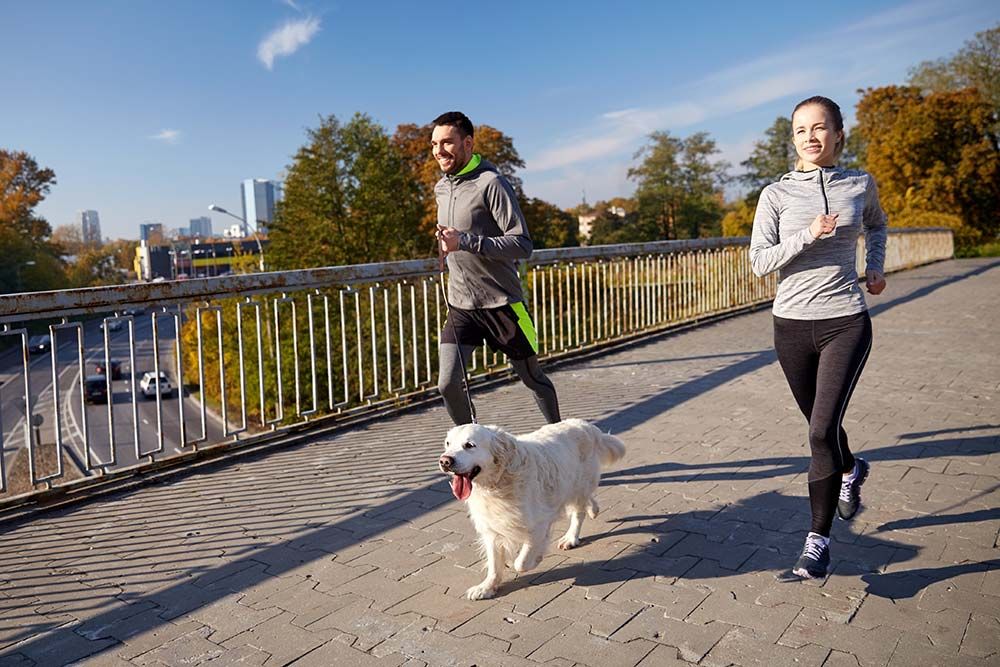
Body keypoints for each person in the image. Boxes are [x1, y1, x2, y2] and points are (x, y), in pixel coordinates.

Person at [749, 96, 887, 579]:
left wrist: (874, 267)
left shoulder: (858, 184)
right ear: (794, 140)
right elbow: (760, 261)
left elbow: (877, 222)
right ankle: (852, 469)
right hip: (789, 327)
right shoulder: (776, 195)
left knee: (818, 432)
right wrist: (807, 233)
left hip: (845, 320)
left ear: (838, 134)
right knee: (823, 429)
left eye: (820, 127)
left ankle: (817, 544)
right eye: (801, 129)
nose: (811, 136)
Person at [430, 111, 561, 426]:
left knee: (533, 379)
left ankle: (563, 444)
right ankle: (470, 450)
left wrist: (467, 242)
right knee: (446, 384)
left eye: (447, 142)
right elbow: (454, 240)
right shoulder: (441, 188)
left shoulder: (491, 183)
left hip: (502, 304)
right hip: (462, 304)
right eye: (434, 144)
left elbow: (522, 245)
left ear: (468, 143)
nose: (439, 150)